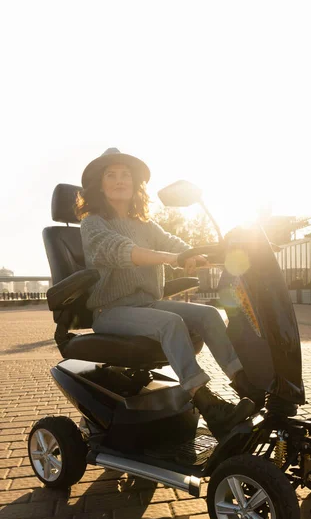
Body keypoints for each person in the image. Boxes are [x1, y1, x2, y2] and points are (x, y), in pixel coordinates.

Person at [77, 147, 264, 437]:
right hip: (110, 311)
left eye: (125, 175)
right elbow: (122, 250)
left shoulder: (145, 224)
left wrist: (211, 252)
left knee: (210, 315)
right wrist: (172, 259)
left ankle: (245, 384)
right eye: (110, 175)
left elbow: (175, 244)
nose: (119, 180)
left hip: (148, 304)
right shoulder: (92, 223)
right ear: (98, 185)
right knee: (170, 323)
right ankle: (207, 403)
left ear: (135, 184)